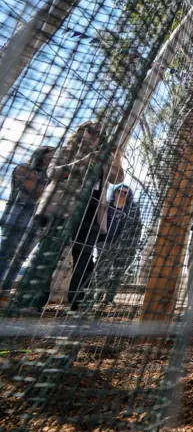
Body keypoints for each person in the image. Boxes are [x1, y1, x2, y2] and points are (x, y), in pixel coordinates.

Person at [13, 122, 124, 312]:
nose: (97, 135)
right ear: (81, 132)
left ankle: (79, 306)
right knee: (48, 254)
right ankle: (30, 302)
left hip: (92, 211)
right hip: (62, 209)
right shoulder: (65, 150)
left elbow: (118, 178)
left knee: (85, 259)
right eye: (92, 131)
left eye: (100, 133)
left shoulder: (103, 156)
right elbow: (53, 172)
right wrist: (84, 160)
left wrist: (112, 157)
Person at [0, 146, 54, 300]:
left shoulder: (50, 175)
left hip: (38, 216)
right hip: (19, 212)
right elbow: (36, 189)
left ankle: (5, 292)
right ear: (42, 156)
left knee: (21, 256)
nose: (55, 158)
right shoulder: (23, 168)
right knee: (7, 252)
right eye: (52, 156)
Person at [94, 184, 142, 305]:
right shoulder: (106, 206)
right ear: (114, 192)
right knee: (101, 270)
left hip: (124, 244)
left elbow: (137, 228)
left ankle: (109, 298)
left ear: (128, 195)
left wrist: (133, 245)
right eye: (119, 191)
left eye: (125, 193)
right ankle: (97, 296)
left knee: (117, 272)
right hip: (104, 241)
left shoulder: (133, 209)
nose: (122, 194)